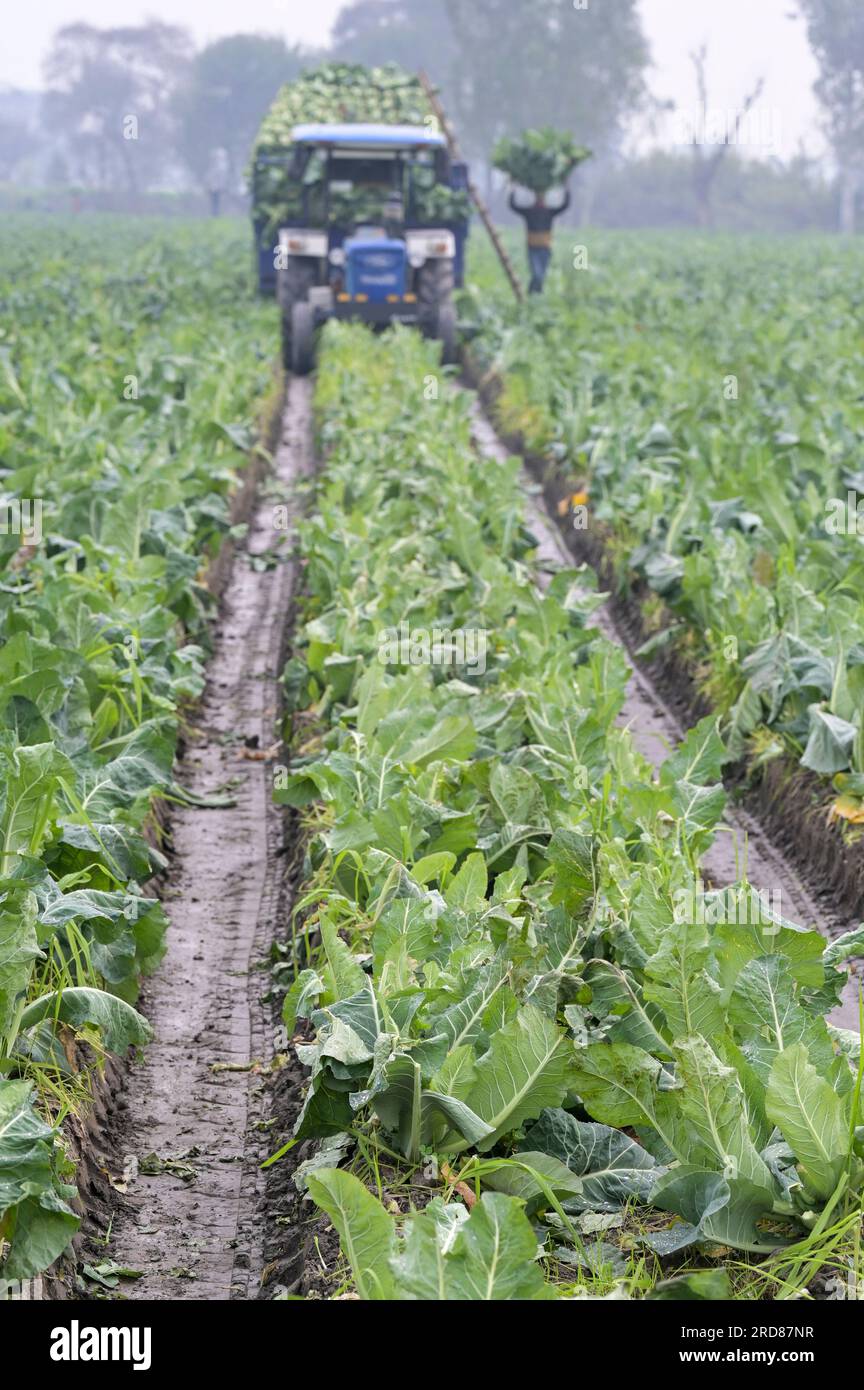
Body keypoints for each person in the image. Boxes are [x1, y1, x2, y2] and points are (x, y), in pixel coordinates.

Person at [509, 188, 571, 293]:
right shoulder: (530, 212)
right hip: (533, 249)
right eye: (538, 197)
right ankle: (532, 294)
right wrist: (512, 189)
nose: (540, 199)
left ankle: (535, 296)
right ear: (536, 198)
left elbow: (564, 206)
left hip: (545, 248)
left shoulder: (548, 212)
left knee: (541, 276)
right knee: (537, 274)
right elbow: (513, 206)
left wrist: (567, 188)